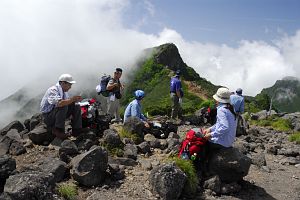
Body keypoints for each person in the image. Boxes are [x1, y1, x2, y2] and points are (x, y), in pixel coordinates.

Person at [40, 74, 83, 139]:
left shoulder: (64, 92)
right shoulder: (53, 90)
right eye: (69, 85)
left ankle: (77, 129)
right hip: (48, 117)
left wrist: (74, 101)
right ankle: (58, 130)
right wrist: (72, 99)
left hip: (56, 114)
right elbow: (59, 103)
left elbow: (67, 102)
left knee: (76, 106)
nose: (70, 87)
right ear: (63, 83)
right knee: (63, 105)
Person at [204, 87, 237, 151]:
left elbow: (224, 127)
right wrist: (210, 129)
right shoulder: (230, 108)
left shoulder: (221, 110)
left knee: (202, 141)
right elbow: (220, 123)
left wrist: (211, 134)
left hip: (223, 143)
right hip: (229, 141)